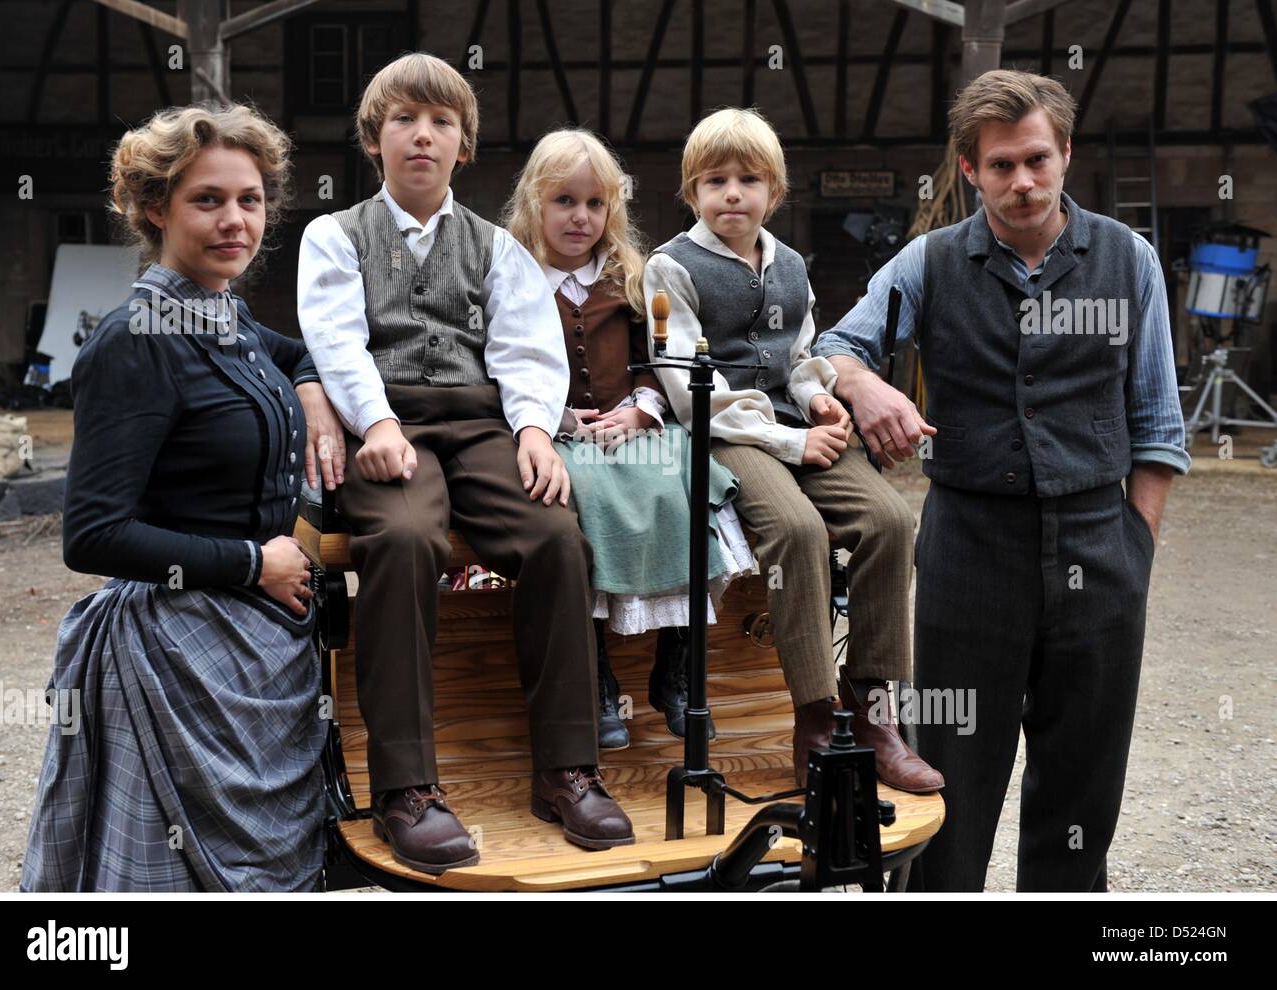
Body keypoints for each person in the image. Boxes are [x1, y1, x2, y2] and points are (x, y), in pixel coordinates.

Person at [814, 70, 1190, 890]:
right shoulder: (931, 261)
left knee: (1082, 789)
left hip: (1100, 546)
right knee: (952, 779)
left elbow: (1161, 429)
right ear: (968, 169)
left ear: (1065, 156)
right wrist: (865, 382)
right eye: (999, 167)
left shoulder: (1130, 262)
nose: (1021, 182)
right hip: (970, 551)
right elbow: (831, 346)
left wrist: (1134, 548)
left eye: (1036, 161)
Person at [297, 53, 635, 874]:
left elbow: (525, 347)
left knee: (556, 540)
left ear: (464, 145)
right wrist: (373, 418)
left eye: (441, 122)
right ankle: (405, 788)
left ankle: (565, 770)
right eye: (405, 120)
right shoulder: (334, 235)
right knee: (405, 540)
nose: (423, 135)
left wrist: (531, 431)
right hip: (392, 425)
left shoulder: (494, 247)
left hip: (482, 423)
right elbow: (335, 340)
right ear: (375, 140)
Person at [21, 103, 346, 891]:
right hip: (172, 657)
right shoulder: (136, 338)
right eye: (208, 200)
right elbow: (91, 536)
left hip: (265, 648)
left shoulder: (224, 313)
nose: (235, 219)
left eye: (251, 199)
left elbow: (291, 349)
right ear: (154, 208)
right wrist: (249, 564)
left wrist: (308, 391)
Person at [644, 108, 944, 792]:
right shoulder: (670, 268)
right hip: (723, 433)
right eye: (714, 180)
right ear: (692, 192)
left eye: (748, 179)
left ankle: (872, 709)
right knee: (799, 530)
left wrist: (818, 399)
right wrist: (791, 438)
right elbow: (691, 391)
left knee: (890, 521)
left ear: (774, 193)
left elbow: (802, 355)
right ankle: (813, 714)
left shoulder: (791, 266)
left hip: (794, 421)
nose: (732, 193)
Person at [501, 127, 755, 750]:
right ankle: (596, 679)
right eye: (564, 201)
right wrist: (557, 418)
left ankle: (677, 673)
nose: (580, 217)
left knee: (689, 487)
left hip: (635, 426)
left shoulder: (633, 279)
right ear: (535, 202)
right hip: (556, 435)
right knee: (580, 507)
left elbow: (656, 361)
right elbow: (499, 365)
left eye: (595, 203)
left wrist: (641, 410)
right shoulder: (510, 276)